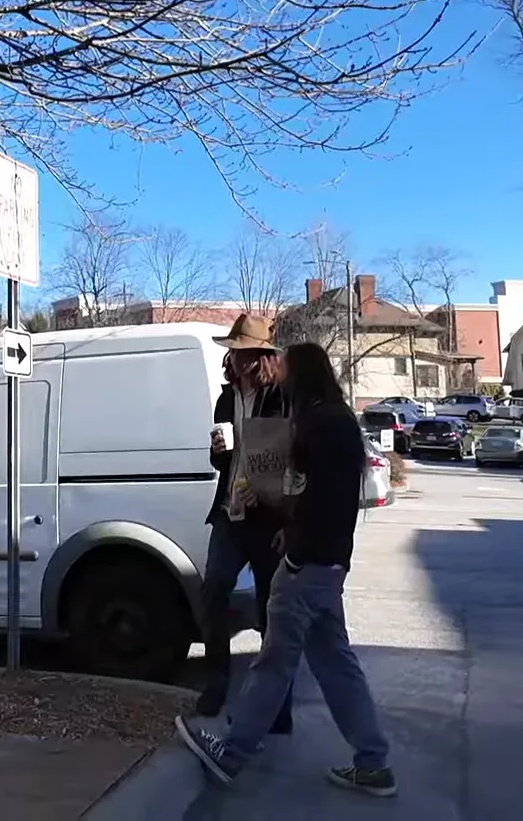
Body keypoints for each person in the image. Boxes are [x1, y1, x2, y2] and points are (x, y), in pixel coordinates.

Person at [176, 341, 396, 798]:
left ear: (301, 375)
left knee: (275, 659)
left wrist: (294, 551)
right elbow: (322, 496)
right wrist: (295, 531)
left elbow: (319, 498)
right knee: (336, 664)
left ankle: (231, 753)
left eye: (288, 369)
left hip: (309, 563)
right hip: (328, 561)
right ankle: (373, 762)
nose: (282, 375)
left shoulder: (318, 423)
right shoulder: (334, 419)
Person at [196, 314, 293, 734]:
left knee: (272, 608)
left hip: (269, 515)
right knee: (214, 586)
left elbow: (291, 458)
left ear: (258, 357)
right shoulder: (225, 399)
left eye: (239, 353)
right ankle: (216, 681)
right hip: (230, 511)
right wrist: (218, 450)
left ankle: (278, 704)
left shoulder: (281, 397)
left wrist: (277, 500)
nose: (231, 360)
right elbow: (220, 460)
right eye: (231, 353)